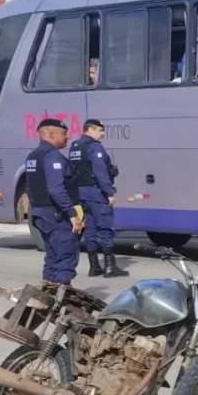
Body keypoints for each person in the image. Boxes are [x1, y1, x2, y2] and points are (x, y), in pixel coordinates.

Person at [25, 118, 82, 286]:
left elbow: (29, 188)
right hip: (55, 214)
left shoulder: (33, 156)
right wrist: (71, 213)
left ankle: (47, 292)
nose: (67, 137)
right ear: (51, 135)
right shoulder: (52, 156)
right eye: (63, 133)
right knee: (66, 254)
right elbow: (56, 189)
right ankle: (60, 293)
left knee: (52, 255)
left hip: (41, 213)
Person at [69, 119, 128, 278]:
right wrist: (109, 192)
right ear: (90, 129)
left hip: (81, 193)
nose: (102, 134)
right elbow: (100, 172)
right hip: (96, 193)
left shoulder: (75, 147)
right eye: (100, 130)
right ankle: (110, 267)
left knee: (90, 229)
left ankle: (94, 266)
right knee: (106, 228)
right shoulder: (94, 147)